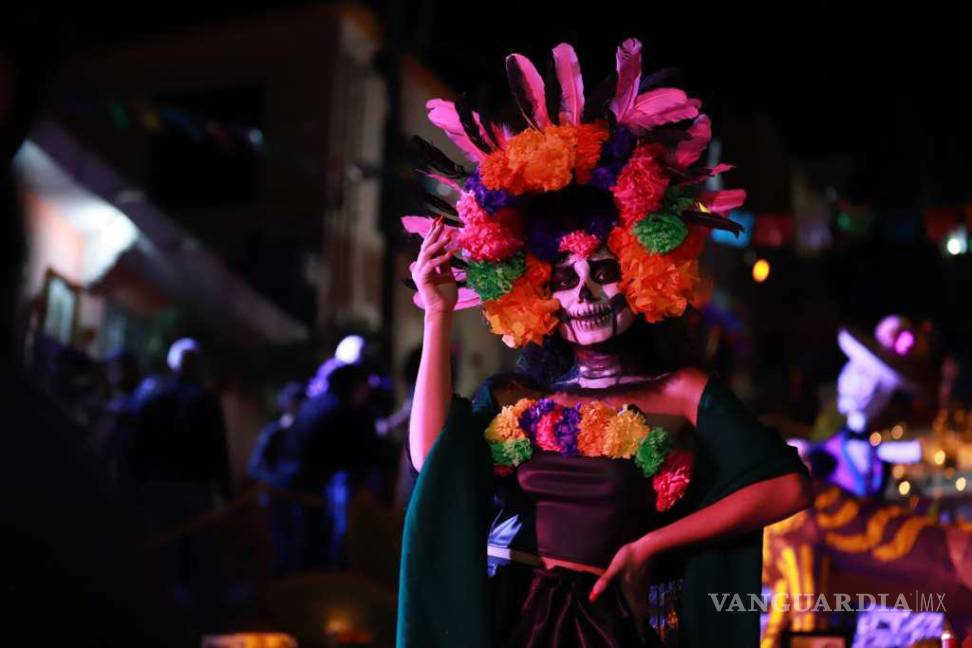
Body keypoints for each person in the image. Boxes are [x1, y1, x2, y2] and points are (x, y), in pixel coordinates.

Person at [397, 39, 812, 647]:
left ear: (644, 274)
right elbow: (429, 461)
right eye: (563, 279)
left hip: (598, 625)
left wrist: (650, 547)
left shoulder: (681, 391)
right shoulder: (515, 394)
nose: (585, 292)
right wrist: (437, 315)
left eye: (604, 269)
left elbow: (787, 487)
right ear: (540, 295)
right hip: (505, 618)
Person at [248, 381, 305, 576]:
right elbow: (256, 466)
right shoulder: (274, 432)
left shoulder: (306, 431)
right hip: (278, 497)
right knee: (281, 543)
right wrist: (275, 481)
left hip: (302, 498)